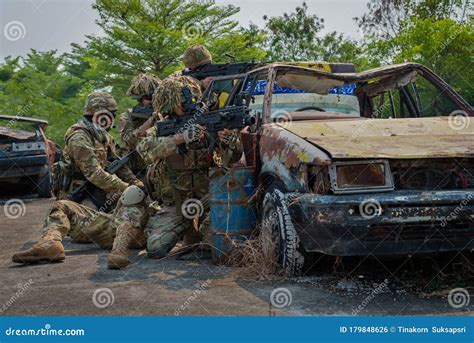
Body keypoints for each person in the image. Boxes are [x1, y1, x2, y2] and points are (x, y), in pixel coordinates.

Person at [136, 75, 243, 258]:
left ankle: (200, 233)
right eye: (181, 103)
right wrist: (181, 138)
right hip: (178, 205)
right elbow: (145, 150)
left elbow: (232, 160)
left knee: (217, 243)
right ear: (169, 105)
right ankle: (189, 231)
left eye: (190, 100)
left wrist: (231, 143)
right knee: (155, 248)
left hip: (208, 200)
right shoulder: (161, 128)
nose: (186, 106)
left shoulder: (209, 122)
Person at [11, 186, 156, 269]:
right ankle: (50, 243)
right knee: (61, 205)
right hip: (114, 222)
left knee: (133, 192)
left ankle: (119, 250)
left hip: (145, 227)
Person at [55, 92, 143, 207]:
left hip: (99, 187)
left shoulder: (103, 136)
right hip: (79, 195)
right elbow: (94, 174)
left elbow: (117, 163)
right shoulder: (79, 138)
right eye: (111, 114)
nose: (113, 117)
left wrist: (135, 182)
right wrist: (127, 187)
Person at [118, 73, 161, 175]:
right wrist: (151, 121)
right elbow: (129, 140)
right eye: (149, 97)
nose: (152, 101)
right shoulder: (128, 116)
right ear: (140, 99)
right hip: (141, 168)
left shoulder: (166, 111)